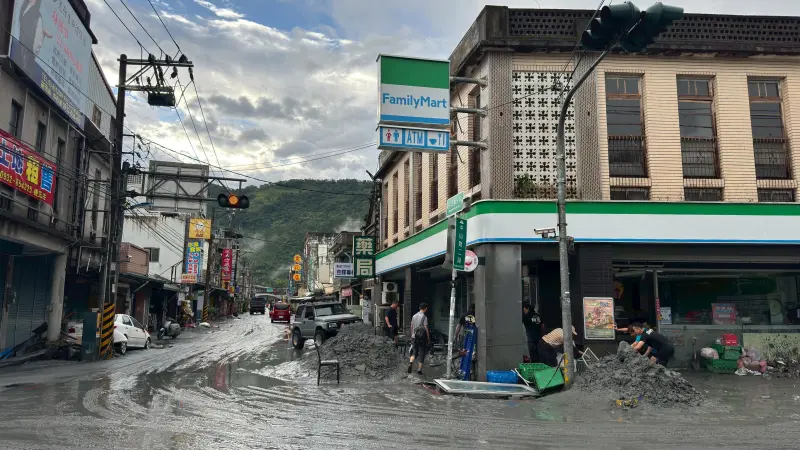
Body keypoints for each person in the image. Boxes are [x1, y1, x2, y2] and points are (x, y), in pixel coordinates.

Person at [408, 303, 430, 375]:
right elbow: (426, 328)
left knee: (414, 352)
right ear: (425, 308)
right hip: (421, 338)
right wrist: (428, 337)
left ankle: (411, 362)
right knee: (422, 353)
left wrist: (412, 335)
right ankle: (419, 370)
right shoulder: (424, 317)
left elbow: (411, 326)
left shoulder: (414, 316)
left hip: (414, 337)